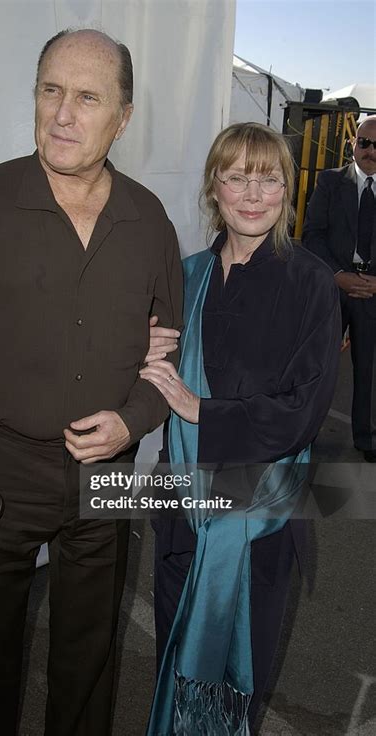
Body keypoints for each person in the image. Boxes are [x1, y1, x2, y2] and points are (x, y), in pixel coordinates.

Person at [0, 29, 183, 736]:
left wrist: (134, 419)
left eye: (87, 97)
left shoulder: (150, 221)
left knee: (89, 664)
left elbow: (166, 358)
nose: (62, 112)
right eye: (50, 89)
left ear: (123, 117)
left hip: (107, 472)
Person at [139, 122, 341, 735]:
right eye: (237, 178)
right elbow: (150, 380)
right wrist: (143, 351)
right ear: (214, 187)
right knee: (172, 657)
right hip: (180, 503)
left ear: (288, 189)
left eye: (269, 179)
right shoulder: (187, 275)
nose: (253, 195)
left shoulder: (310, 282)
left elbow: (304, 408)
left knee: (234, 677)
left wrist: (205, 410)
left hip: (258, 517)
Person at [302, 115, 376, 462]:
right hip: (334, 290)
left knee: (370, 371)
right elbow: (312, 235)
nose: (371, 151)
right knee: (318, 368)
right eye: (365, 143)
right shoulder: (330, 182)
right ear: (353, 145)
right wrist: (336, 275)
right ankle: (304, 433)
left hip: (373, 293)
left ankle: (368, 438)